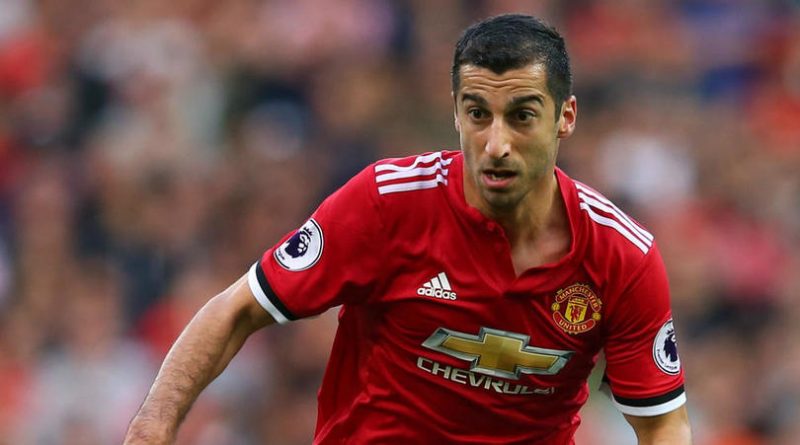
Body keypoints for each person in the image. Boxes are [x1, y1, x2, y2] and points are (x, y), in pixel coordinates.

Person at [125, 14, 692, 444]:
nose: (496, 144)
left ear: (564, 117)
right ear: (455, 112)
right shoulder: (386, 204)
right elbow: (236, 310)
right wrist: (151, 429)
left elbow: (663, 424)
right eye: (478, 114)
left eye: (522, 116)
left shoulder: (622, 256)